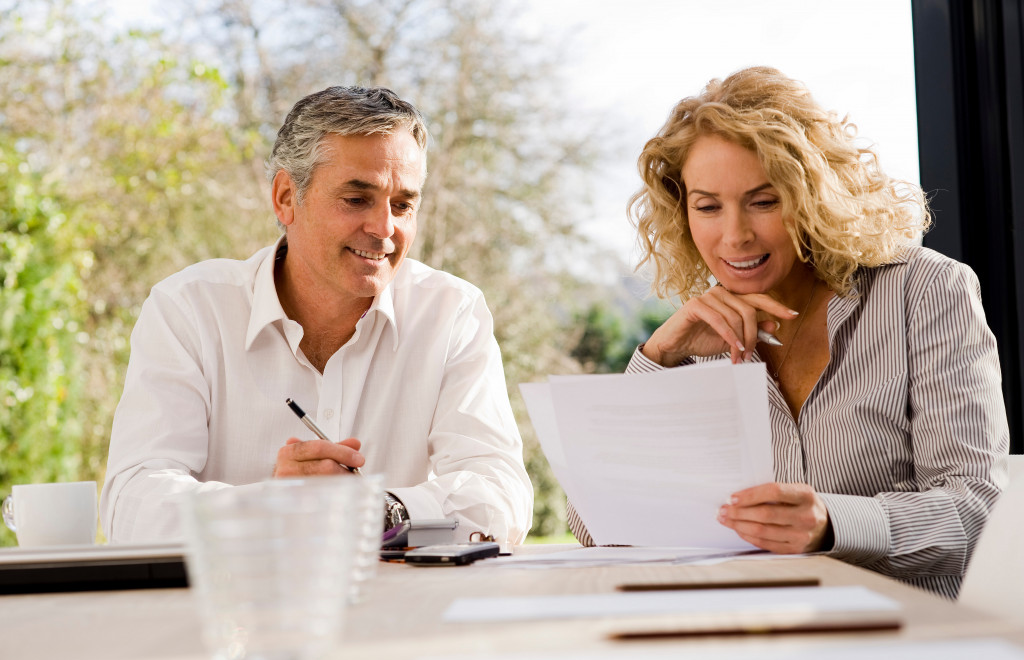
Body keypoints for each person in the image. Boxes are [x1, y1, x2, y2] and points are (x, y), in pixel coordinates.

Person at [567, 66, 1009, 598]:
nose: (735, 236)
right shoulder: (698, 335)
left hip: (901, 638)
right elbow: (597, 528)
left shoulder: (926, 290)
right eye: (708, 206)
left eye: (764, 201)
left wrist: (832, 524)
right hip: (747, 635)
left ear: (814, 195)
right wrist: (658, 359)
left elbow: (975, 507)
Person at [101, 86, 533, 546]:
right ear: (287, 197)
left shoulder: (451, 313)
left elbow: (501, 495)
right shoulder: (187, 309)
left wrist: (380, 511)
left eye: (403, 204)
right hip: (234, 612)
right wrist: (272, 509)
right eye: (356, 199)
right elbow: (131, 503)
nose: (385, 228)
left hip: (404, 611)